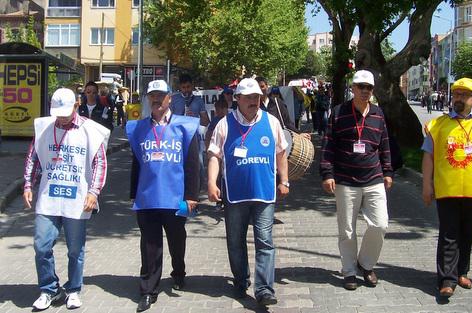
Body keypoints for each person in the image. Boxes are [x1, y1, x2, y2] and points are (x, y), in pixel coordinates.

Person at [23, 88, 110, 310]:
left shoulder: (91, 131)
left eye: (65, 111)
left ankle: (73, 289)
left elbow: (99, 163)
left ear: (76, 105)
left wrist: (94, 191)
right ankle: (49, 289)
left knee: (75, 249)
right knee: (42, 245)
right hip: (48, 196)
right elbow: (33, 157)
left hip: (77, 198)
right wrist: (27, 185)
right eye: (57, 112)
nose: (60, 116)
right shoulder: (44, 128)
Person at [207, 78, 289, 306]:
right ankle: (241, 280)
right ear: (238, 100)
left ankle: (264, 289)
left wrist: (285, 180)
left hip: (264, 193)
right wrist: (211, 183)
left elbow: (281, 152)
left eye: (257, 97)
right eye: (249, 98)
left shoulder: (271, 122)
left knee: (265, 241)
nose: (254, 101)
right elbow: (214, 155)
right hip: (235, 194)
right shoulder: (224, 124)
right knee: (235, 241)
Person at [421, 77, 472, 298]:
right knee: (449, 234)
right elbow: (428, 156)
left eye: (464, 95)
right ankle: (447, 279)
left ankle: (462, 271)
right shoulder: (438, 125)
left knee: (467, 233)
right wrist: (426, 184)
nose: (459, 98)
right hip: (447, 188)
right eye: (456, 94)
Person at [126, 80, 200, 312]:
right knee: (150, 246)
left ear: (170, 98)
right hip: (147, 197)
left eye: (160, 95)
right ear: (148, 99)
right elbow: (136, 163)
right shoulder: (138, 128)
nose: (156, 99)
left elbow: (193, 165)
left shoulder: (184, 127)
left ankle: (178, 271)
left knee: (177, 241)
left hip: (175, 197)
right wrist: (133, 193)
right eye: (152, 96)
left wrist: (191, 195)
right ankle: (148, 290)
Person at [320, 70, 393, 291]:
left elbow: (385, 145)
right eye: (360, 86)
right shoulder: (339, 113)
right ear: (353, 88)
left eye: (368, 87)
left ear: (372, 90)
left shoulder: (379, 114)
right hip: (345, 181)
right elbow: (328, 145)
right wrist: (327, 173)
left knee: (380, 225)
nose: (364, 91)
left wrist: (388, 171)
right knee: (347, 230)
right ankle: (349, 271)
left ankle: (366, 263)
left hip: (374, 179)